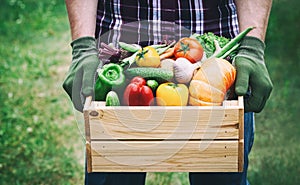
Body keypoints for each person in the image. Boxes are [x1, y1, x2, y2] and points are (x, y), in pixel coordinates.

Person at [62, 0, 273, 185]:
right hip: (119, 58)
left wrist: (252, 48)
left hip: (218, 66)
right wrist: (82, 47)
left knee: (222, 173)